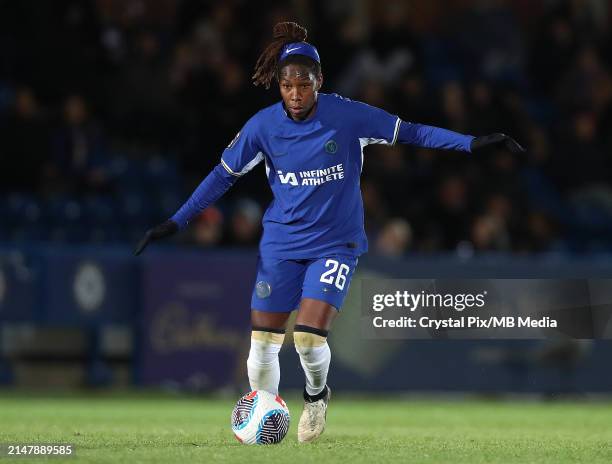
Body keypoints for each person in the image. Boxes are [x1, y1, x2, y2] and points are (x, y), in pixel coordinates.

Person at [134, 22, 524, 443]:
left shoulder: (348, 115)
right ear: (278, 86)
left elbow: (411, 131)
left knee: (305, 336)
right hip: (282, 243)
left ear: (319, 82)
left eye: (304, 84)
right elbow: (221, 175)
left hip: (335, 244)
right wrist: (178, 220)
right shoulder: (262, 127)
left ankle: (316, 398)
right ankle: (265, 418)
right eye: (287, 85)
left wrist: (470, 143)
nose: (296, 93)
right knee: (262, 343)